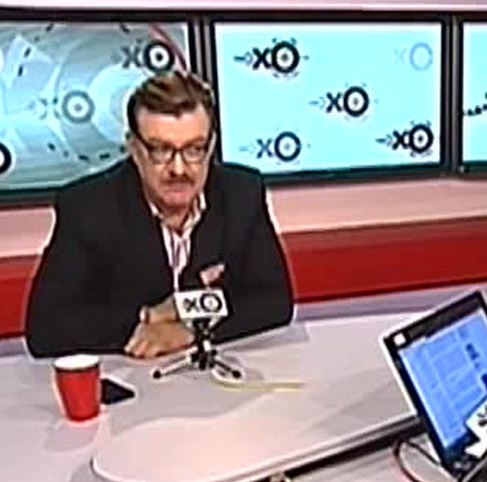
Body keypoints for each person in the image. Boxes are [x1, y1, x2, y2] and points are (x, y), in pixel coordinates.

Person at [25, 71, 293, 359]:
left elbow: (274, 301)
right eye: (161, 150)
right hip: (130, 376)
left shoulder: (241, 195)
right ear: (133, 147)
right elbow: (46, 328)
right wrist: (147, 317)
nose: (179, 169)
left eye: (194, 149)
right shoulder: (89, 208)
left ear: (211, 146)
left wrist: (191, 332)